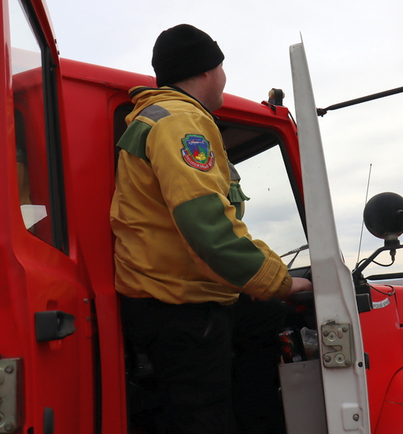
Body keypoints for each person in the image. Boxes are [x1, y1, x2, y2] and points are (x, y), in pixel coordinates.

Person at [110, 24, 312, 434]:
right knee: (205, 419)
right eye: (222, 66)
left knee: (268, 321)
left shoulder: (168, 118)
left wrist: (272, 279)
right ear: (206, 70)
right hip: (180, 307)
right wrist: (283, 283)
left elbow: (221, 226)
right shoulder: (180, 124)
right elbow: (210, 232)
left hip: (182, 293)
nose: (224, 75)